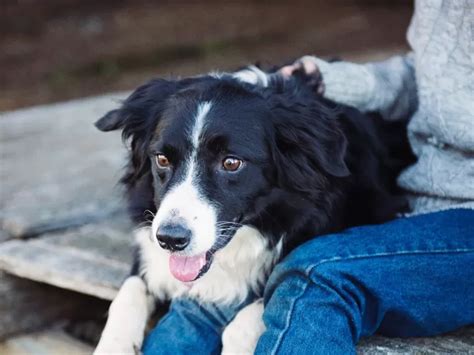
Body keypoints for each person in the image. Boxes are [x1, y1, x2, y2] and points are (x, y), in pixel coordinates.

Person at [143, 1, 474, 353]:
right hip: (424, 203)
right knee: (197, 309)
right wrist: (326, 80)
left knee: (315, 276)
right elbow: (431, 78)